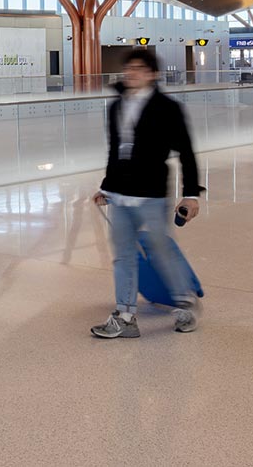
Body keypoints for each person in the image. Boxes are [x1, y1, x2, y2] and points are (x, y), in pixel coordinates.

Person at [91, 47, 202, 338]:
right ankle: (125, 314)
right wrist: (106, 186)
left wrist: (191, 194)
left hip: (152, 194)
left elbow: (186, 152)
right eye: (129, 68)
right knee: (123, 255)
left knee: (160, 251)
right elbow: (116, 151)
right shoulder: (116, 106)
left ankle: (183, 304)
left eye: (139, 68)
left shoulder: (168, 108)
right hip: (120, 195)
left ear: (152, 74)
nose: (131, 73)